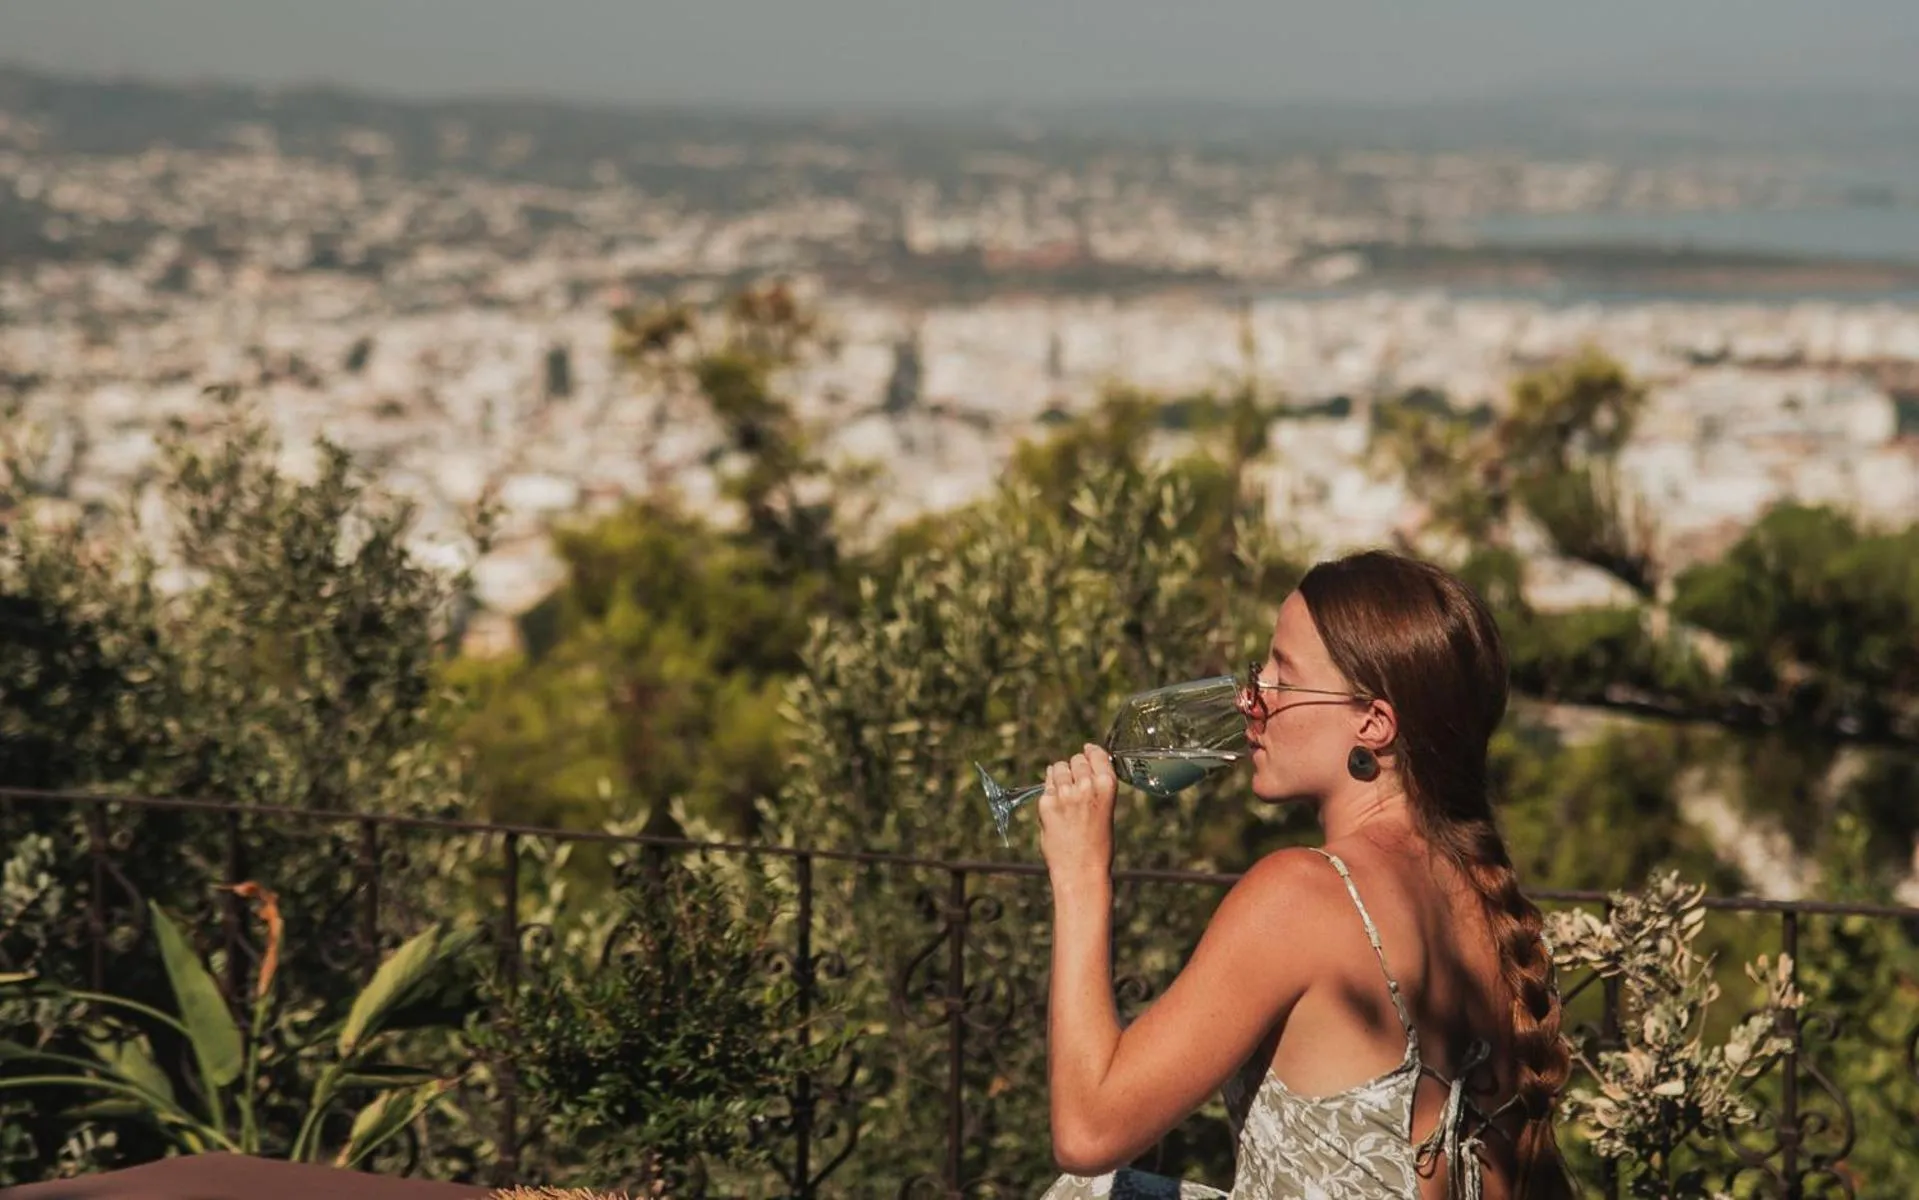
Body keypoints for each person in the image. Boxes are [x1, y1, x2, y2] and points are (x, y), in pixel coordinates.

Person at [1034, 550, 1573, 1200]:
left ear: (1372, 722)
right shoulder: (1483, 899)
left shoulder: (1301, 895)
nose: (1247, 697)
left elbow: (1089, 1130)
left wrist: (1081, 875)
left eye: (1279, 678)